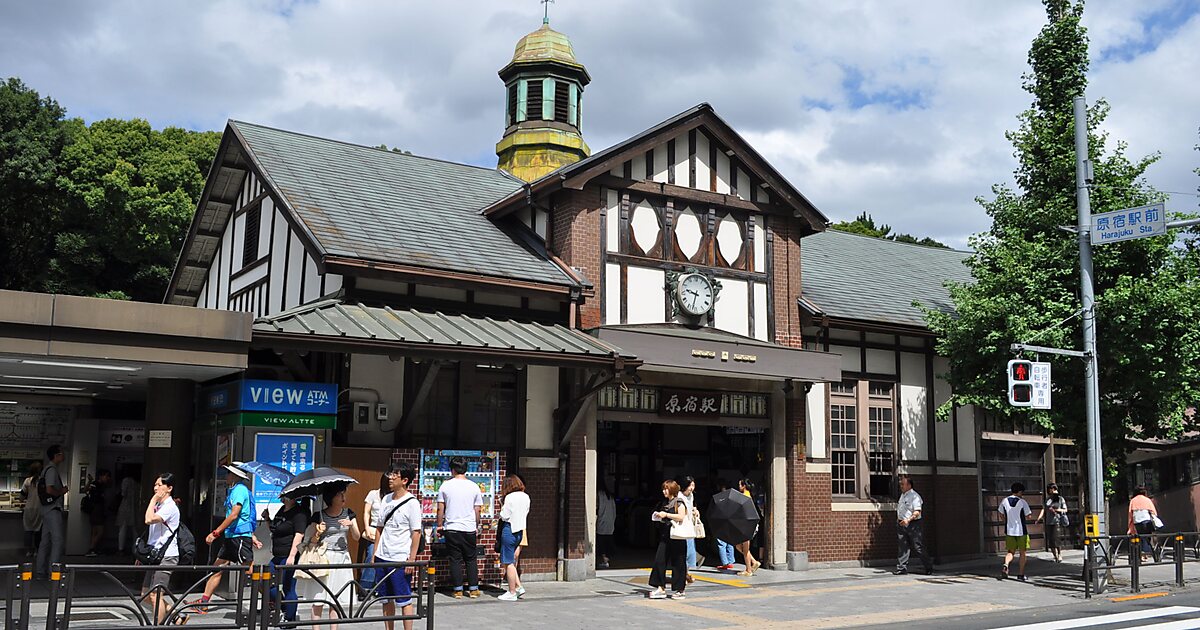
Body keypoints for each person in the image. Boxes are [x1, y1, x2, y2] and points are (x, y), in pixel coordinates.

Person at [193, 465, 262, 612]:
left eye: (229, 473)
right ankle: (204, 603)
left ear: (235, 476)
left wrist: (215, 533)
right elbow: (243, 516)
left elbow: (234, 515)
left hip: (239, 538)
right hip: (232, 537)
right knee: (216, 569)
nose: (226, 475)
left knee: (250, 572)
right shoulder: (234, 490)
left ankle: (274, 598)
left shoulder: (239, 490)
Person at [300, 486, 361, 628]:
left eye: (343, 494)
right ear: (331, 498)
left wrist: (351, 525)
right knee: (319, 597)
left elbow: (357, 537)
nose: (343, 498)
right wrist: (318, 532)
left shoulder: (349, 513)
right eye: (340, 495)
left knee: (336, 598)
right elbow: (310, 541)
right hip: (323, 557)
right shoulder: (318, 516)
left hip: (342, 557)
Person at [372, 466, 422, 630]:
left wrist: (411, 560)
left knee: (404, 598)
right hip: (382, 556)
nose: (391, 478)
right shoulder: (386, 499)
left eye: (395, 475)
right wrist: (375, 553)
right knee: (385, 599)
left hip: (400, 558)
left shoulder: (412, 503)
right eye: (391, 474)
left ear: (405, 480)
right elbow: (380, 527)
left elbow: (416, 533)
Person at [436, 457, 484, 599]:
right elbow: (477, 510)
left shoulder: (445, 486)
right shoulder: (474, 486)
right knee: (471, 558)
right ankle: (473, 589)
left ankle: (457, 590)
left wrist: (439, 525)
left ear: (452, 469)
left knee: (455, 559)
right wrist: (477, 525)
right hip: (469, 528)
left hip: (452, 527)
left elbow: (440, 509)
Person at [141, 473, 180, 625]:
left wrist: (152, 500)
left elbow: (149, 520)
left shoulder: (169, 507)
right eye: (155, 484)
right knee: (145, 594)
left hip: (167, 556)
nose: (155, 487)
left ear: (169, 488)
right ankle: (177, 615)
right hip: (155, 555)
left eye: (159, 485)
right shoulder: (160, 506)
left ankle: (159, 626)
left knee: (155, 595)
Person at [266, 494, 309, 624]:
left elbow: (299, 535)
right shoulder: (281, 510)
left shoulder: (299, 513)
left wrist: (292, 556)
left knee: (288, 587)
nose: (281, 498)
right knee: (267, 582)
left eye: (284, 496)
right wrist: (267, 519)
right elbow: (275, 529)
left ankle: (290, 619)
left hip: (289, 555)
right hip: (277, 556)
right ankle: (284, 608)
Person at [648, 479, 688, 600]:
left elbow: (681, 517)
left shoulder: (679, 502)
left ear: (672, 490)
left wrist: (666, 515)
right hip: (666, 535)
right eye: (663, 489)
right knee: (660, 560)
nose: (664, 491)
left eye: (666, 489)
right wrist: (659, 517)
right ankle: (660, 587)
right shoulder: (666, 502)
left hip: (677, 536)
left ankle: (680, 589)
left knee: (678, 563)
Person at [36, 444, 68, 579]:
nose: (63, 455)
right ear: (57, 455)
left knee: (45, 541)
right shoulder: (52, 470)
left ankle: (40, 570)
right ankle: (53, 571)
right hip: (53, 509)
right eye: (62, 453)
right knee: (58, 540)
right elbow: (49, 490)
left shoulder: (46, 469)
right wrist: (62, 491)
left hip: (46, 509)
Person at [497, 473, 529, 602]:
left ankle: (511, 591)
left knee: (508, 562)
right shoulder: (525, 496)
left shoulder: (509, 497)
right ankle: (517, 587)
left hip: (509, 529)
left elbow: (504, 516)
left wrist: (501, 505)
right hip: (520, 530)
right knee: (511, 560)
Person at [894, 475, 933, 575]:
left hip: (913, 524)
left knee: (917, 546)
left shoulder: (915, 496)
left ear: (909, 485)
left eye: (903, 484)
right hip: (901, 523)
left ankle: (928, 566)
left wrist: (908, 520)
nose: (901, 486)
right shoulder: (903, 495)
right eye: (900, 484)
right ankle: (902, 568)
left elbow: (917, 512)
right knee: (903, 546)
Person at [359, 474, 388, 596]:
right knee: (372, 555)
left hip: (388, 530)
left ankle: (379, 586)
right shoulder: (373, 494)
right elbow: (366, 512)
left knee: (385, 558)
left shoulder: (393, 497)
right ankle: (365, 586)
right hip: (374, 529)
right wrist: (366, 527)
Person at [999, 482, 1033, 581]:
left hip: (1009, 531)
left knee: (1010, 552)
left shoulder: (1004, 501)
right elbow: (1029, 515)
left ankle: (1006, 564)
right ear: (1019, 491)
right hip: (1021, 531)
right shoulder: (1022, 502)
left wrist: (1006, 521)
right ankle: (1021, 574)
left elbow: (1001, 514)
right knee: (1022, 553)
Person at [84, 469, 113, 556]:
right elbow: (86, 490)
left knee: (94, 531)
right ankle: (91, 548)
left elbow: (86, 490)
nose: (107, 478)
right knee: (100, 531)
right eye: (106, 476)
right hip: (97, 509)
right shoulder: (97, 485)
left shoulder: (98, 484)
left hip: (94, 509)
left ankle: (92, 549)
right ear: (101, 476)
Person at [1036, 483, 1068, 563]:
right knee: (1051, 540)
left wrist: (1056, 510)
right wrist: (1039, 518)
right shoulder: (1048, 499)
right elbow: (1044, 509)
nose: (1049, 490)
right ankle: (1055, 556)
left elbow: (1065, 510)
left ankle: (1059, 554)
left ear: (1053, 489)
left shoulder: (1060, 499)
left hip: (1056, 521)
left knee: (1057, 538)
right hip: (1049, 521)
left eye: (1050, 489)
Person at [735, 479, 761, 577]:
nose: (738, 486)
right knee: (738, 545)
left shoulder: (745, 497)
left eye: (739, 485)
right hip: (748, 525)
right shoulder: (749, 496)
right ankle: (754, 562)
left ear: (744, 486)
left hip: (747, 525)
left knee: (745, 549)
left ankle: (748, 570)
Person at [116, 468, 142, 556]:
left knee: (123, 528)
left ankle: (121, 549)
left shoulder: (126, 480)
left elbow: (123, 493)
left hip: (125, 506)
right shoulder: (139, 482)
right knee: (135, 530)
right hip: (136, 507)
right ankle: (135, 549)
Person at [1128, 486, 1158, 560]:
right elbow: (1153, 512)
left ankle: (1141, 554)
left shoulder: (1133, 501)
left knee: (1140, 538)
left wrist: (1130, 526)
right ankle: (1146, 553)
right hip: (1147, 521)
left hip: (1137, 522)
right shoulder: (1147, 500)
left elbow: (1130, 514)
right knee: (1147, 538)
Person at [20, 461, 43, 558]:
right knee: (38, 531)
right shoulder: (43, 481)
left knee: (28, 530)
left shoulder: (27, 481)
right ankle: (37, 551)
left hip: (29, 509)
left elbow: (21, 497)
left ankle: (28, 551)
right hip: (40, 508)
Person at [679, 475, 699, 583]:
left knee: (690, 553)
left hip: (689, 528)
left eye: (693, 485)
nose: (692, 488)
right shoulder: (679, 496)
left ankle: (686, 574)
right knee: (684, 553)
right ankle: (682, 575)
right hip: (682, 528)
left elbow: (691, 507)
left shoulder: (691, 496)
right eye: (690, 485)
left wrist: (695, 511)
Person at [713, 480, 736, 571]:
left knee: (721, 543)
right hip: (731, 522)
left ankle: (725, 563)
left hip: (721, 523)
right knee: (730, 542)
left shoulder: (719, 499)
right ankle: (731, 561)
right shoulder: (733, 499)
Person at [596, 478, 616, 570]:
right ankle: (607, 560)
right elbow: (614, 511)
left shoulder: (599, 495)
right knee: (608, 542)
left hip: (601, 523)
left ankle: (604, 560)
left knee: (601, 543)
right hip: (610, 523)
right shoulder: (610, 497)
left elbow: (596, 508)